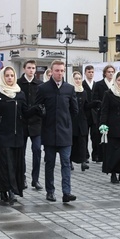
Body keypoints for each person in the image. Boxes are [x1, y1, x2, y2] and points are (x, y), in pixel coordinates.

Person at [0, 66, 39, 204]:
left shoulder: (20, 93)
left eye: (12, 75)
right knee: (6, 164)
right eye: (7, 76)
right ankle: (8, 190)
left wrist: (36, 110)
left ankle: (9, 189)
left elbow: (25, 113)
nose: (10, 78)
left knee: (16, 164)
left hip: (17, 135)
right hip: (2, 135)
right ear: (2, 77)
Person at [35, 60, 78, 203]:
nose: (59, 73)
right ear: (51, 72)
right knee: (50, 164)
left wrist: (66, 121)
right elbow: (37, 107)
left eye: (62, 70)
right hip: (49, 133)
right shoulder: (43, 88)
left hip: (65, 134)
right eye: (57, 71)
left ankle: (67, 192)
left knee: (66, 163)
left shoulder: (69, 89)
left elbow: (74, 110)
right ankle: (50, 191)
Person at [17, 60, 44, 190]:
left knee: (37, 150)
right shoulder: (18, 83)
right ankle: (22, 177)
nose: (31, 70)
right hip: (22, 123)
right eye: (29, 68)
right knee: (21, 152)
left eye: (33, 68)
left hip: (36, 123)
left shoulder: (40, 84)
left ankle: (36, 179)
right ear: (24, 69)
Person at [69, 71, 93, 171]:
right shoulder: (69, 91)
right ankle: (69, 161)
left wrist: (94, 104)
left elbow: (86, 106)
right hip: (72, 120)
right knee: (72, 142)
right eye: (76, 78)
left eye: (79, 78)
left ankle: (83, 162)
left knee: (83, 141)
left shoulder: (84, 92)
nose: (78, 80)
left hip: (82, 120)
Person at [91, 64, 115, 163]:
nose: (110, 74)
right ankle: (99, 154)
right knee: (99, 134)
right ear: (105, 73)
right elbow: (94, 98)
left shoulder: (115, 84)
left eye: (112, 72)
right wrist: (99, 105)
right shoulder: (99, 84)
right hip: (102, 112)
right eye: (109, 72)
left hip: (113, 114)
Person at [82, 65, 96, 163]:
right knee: (85, 136)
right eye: (89, 72)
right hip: (85, 114)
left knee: (95, 136)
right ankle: (85, 155)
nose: (90, 74)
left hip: (94, 114)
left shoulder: (96, 84)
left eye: (92, 72)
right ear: (85, 73)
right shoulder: (82, 84)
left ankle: (95, 155)